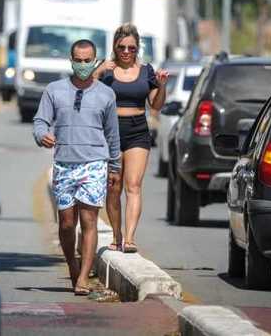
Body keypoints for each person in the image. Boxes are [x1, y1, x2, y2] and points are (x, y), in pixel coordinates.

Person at [32, 39, 120, 296]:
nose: (83, 65)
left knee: (88, 219)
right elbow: (40, 121)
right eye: (78, 60)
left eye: (87, 60)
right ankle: (73, 264)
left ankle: (83, 278)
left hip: (94, 164)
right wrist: (41, 135)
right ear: (71, 61)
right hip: (64, 164)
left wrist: (114, 168)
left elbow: (113, 134)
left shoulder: (106, 94)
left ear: (95, 61)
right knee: (67, 223)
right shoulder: (54, 90)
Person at [95, 23, 169, 254]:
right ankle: (116, 235)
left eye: (132, 48)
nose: (127, 52)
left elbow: (155, 105)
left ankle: (129, 238)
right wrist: (97, 72)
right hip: (111, 132)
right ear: (115, 47)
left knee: (134, 186)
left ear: (137, 49)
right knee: (113, 186)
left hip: (138, 129)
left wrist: (162, 86)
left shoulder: (147, 71)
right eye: (122, 47)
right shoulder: (105, 71)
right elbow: (86, 95)